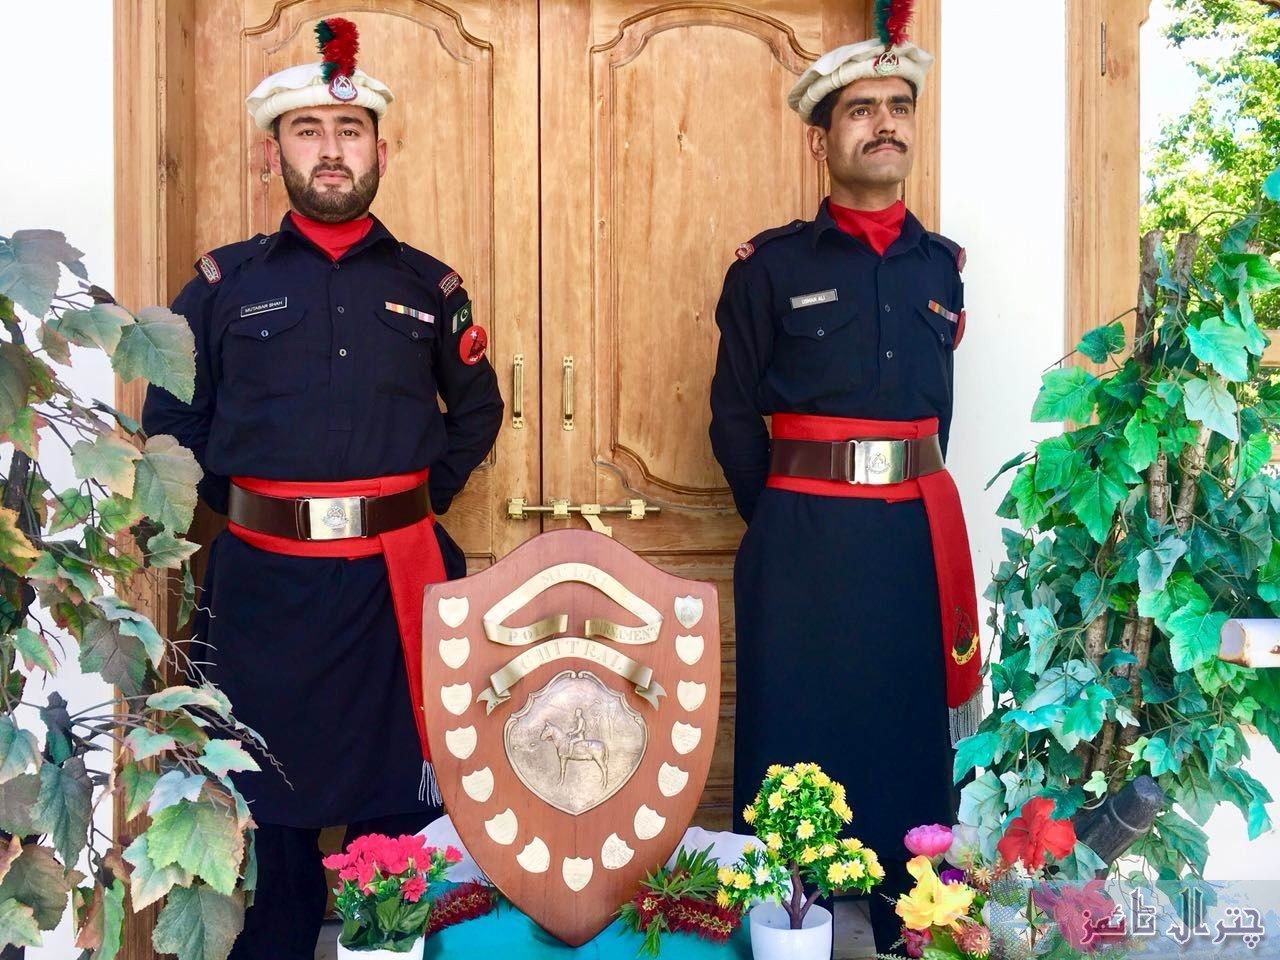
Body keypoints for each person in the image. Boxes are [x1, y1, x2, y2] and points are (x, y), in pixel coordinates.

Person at [140, 18, 502, 958]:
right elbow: (170, 421)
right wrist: (250, 507)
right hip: (261, 590)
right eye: (308, 131)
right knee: (268, 824)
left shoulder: (430, 286)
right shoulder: (220, 286)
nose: (331, 150)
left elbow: (476, 411)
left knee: (402, 823)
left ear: (381, 150)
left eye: (350, 132)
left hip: (397, 588)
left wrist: (412, 505)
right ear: (274, 155)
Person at [708, 4, 983, 953]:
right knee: (795, 735)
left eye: (899, 106)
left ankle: (918, 926)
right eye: (861, 109)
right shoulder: (770, 268)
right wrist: (783, 518)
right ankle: (791, 933)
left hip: (913, 540)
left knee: (912, 736)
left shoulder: (941, 268)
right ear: (821, 139)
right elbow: (732, 418)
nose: (885, 123)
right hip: (803, 541)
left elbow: (937, 420)